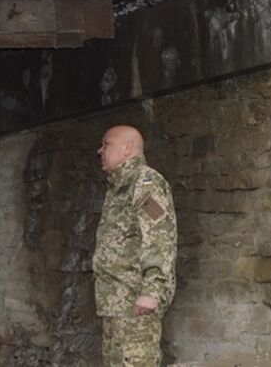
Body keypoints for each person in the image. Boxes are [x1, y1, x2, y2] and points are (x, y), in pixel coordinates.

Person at [93, 125, 177, 366]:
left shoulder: (145, 182)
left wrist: (152, 291)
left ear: (127, 148)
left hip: (135, 304)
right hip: (116, 304)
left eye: (106, 144)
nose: (100, 150)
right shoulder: (118, 188)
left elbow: (160, 235)